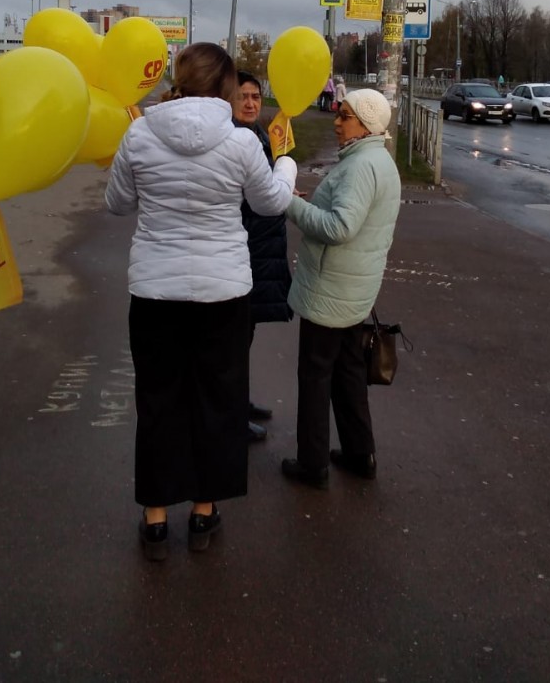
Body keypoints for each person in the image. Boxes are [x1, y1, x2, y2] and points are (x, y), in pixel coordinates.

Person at [105, 43, 297, 560]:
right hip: (222, 293)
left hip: (154, 292)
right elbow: (270, 203)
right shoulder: (240, 141)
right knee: (218, 399)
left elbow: (117, 203)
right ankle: (204, 511)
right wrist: (286, 166)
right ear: (226, 86)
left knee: (158, 400)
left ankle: (155, 520)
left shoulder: (139, 134)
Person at [280, 88, 401, 487]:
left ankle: (312, 464)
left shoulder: (359, 166)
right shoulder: (379, 160)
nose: (336, 122)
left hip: (330, 291)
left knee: (316, 376)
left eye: (344, 116)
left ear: (366, 124)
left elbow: (339, 227)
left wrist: (290, 204)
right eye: (338, 113)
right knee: (349, 372)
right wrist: (310, 204)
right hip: (354, 289)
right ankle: (359, 453)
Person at [232, 71, 293, 444]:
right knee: (234, 340)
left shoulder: (259, 136)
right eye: (243, 96)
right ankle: (231, 413)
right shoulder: (233, 141)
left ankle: (240, 401)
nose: (251, 103)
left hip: (258, 251)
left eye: (255, 96)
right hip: (244, 250)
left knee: (246, 333)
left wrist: (281, 189)